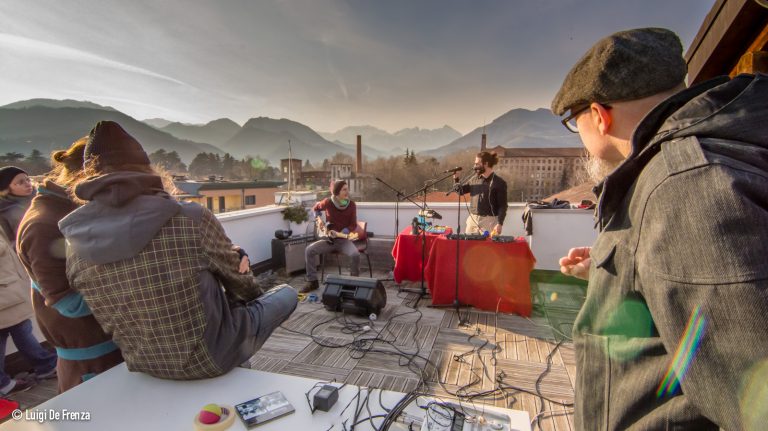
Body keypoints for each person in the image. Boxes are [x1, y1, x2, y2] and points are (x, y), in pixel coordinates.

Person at [552, 28, 768, 430]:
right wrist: (609, 269)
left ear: (600, 115)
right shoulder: (698, 169)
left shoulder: (686, 184)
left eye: (574, 123)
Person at [58, 121, 297, 380]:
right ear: (146, 167)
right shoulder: (190, 218)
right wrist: (244, 283)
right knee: (286, 294)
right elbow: (244, 287)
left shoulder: (73, 240)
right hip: (212, 357)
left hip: (143, 363)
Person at [17, 138, 124, 392]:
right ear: (88, 177)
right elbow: (70, 304)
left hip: (109, 350)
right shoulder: (43, 225)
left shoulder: (69, 212)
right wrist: (132, 283)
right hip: (91, 365)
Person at [302, 180, 360, 293]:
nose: (347, 192)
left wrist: (344, 231)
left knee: (355, 254)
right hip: (329, 241)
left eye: (347, 189)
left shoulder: (352, 205)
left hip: (343, 240)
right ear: (337, 191)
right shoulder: (328, 202)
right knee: (309, 250)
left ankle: (354, 282)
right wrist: (318, 219)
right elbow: (316, 208)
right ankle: (312, 281)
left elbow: (353, 224)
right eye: (344, 189)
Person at [452, 151, 507, 235]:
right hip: (472, 221)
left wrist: (500, 223)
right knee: (468, 247)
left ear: (486, 164)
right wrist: (456, 179)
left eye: (477, 164)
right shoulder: (474, 179)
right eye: (475, 164)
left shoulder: (499, 182)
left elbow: (503, 206)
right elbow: (460, 191)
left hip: (489, 222)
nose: (475, 167)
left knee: (487, 248)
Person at [0, 167, 35, 243]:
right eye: (20, 182)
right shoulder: (3, 211)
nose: (28, 184)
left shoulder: (43, 198)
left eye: (28, 180)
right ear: (6, 188)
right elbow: (8, 242)